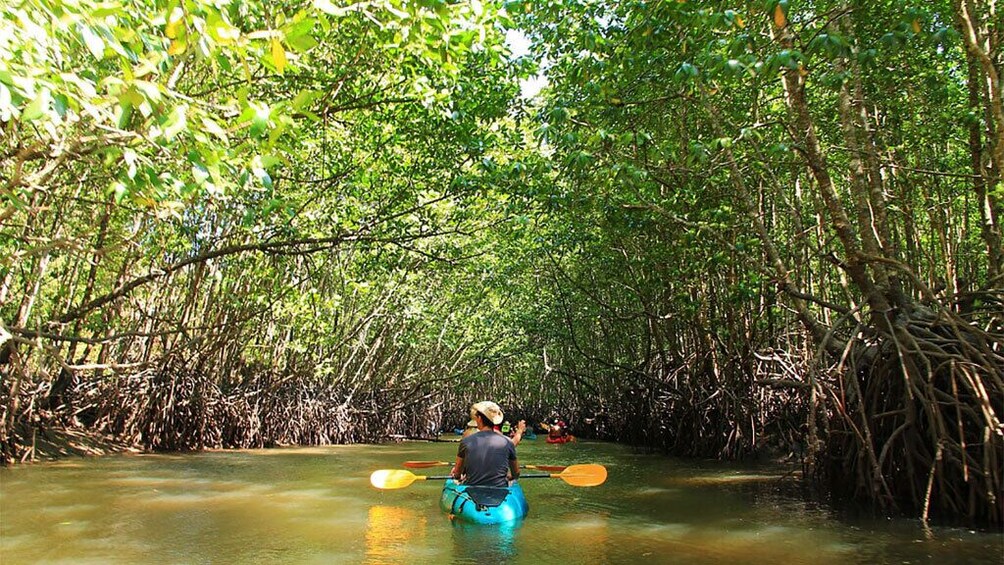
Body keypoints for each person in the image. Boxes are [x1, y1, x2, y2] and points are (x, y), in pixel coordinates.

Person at [451, 401, 520, 487]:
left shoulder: (466, 441)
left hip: (473, 489)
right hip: (500, 489)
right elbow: (516, 473)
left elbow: (457, 474)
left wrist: (458, 475)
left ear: (479, 418)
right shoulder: (508, 442)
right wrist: (508, 477)